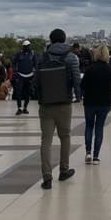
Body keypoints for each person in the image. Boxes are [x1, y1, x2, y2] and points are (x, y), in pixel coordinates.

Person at [35, 29, 80, 189]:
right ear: (64, 39)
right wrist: (78, 96)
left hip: (46, 104)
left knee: (46, 140)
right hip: (64, 102)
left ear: (51, 40)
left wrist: (39, 97)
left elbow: (36, 80)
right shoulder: (71, 57)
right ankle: (64, 169)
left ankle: (47, 176)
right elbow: (76, 78)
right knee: (65, 136)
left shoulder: (42, 57)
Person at [81, 45, 111, 163]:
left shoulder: (90, 68)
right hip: (104, 102)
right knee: (99, 128)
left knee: (89, 126)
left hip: (90, 101)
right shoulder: (109, 69)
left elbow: (82, 85)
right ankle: (96, 156)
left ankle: (88, 152)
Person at [12, 40, 37, 115]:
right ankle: (19, 108)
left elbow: (35, 64)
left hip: (29, 76)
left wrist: (34, 72)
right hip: (20, 76)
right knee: (19, 92)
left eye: (28, 46)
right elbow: (13, 63)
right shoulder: (19, 54)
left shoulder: (32, 54)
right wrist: (15, 72)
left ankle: (25, 107)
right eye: (25, 46)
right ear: (23, 47)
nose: (27, 47)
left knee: (28, 93)